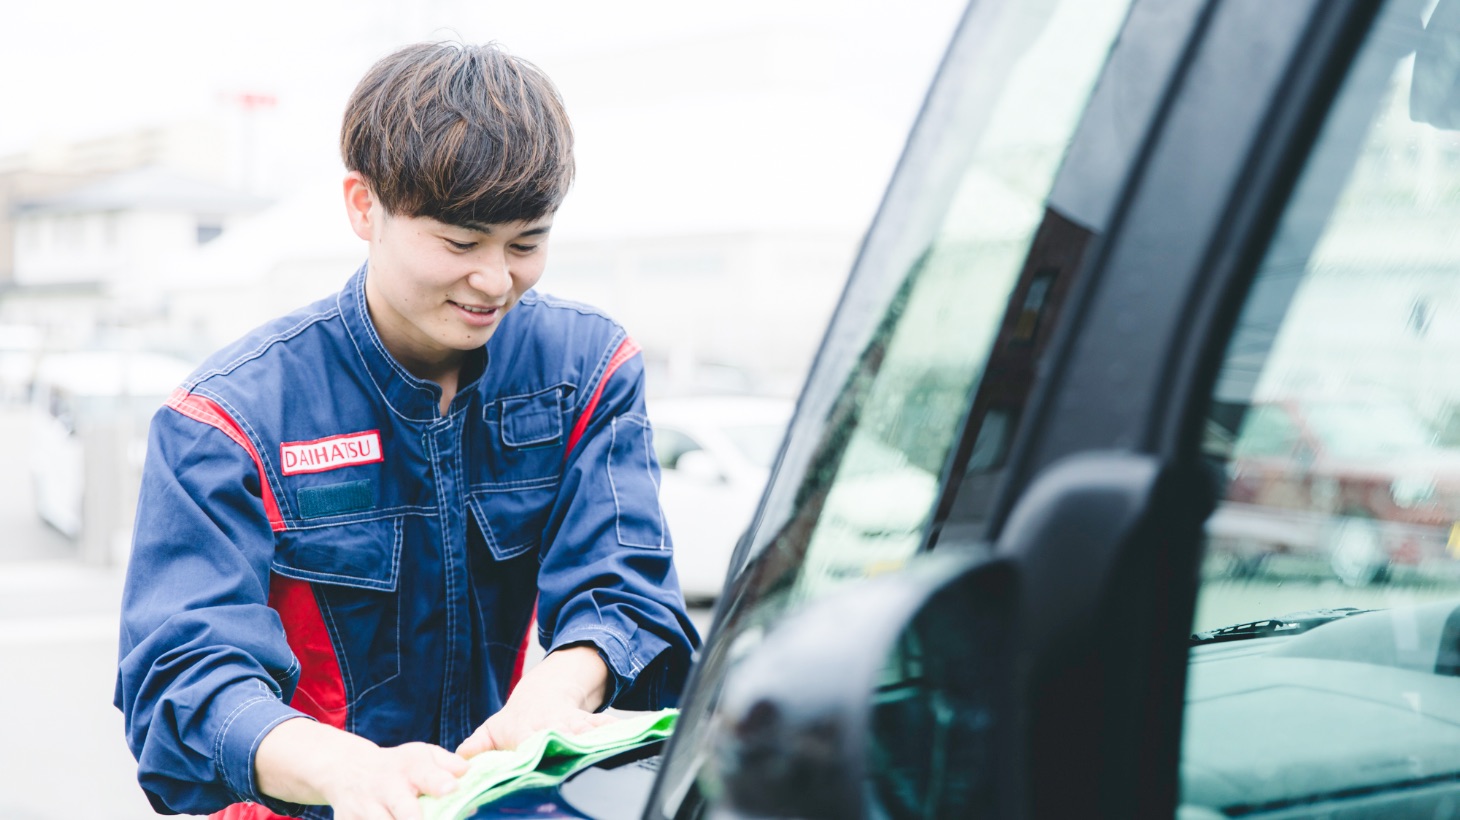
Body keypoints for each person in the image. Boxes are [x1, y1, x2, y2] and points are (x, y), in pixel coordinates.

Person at [115, 42, 700, 820]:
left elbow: (627, 590)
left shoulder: (586, 370)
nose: (495, 280)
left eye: (526, 242)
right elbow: (180, 681)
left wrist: (555, 695)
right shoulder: (227, 417)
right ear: (363, 206)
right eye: (460, 243)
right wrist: (340, 771)